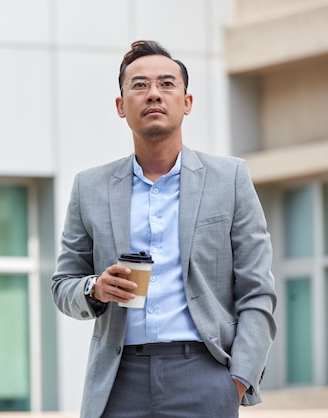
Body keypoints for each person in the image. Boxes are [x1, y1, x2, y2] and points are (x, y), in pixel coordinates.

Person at [51, 40, 277, 418]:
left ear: (187, 102)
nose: (153, 93)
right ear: (121, 106)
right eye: (139, 85)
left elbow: (257, 291)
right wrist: (95, 288)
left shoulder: (230, 179)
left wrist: (237, 381)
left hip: (205, 374)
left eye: (167, 84)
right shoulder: (89, 187)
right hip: (118, 380)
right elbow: (63, 285)